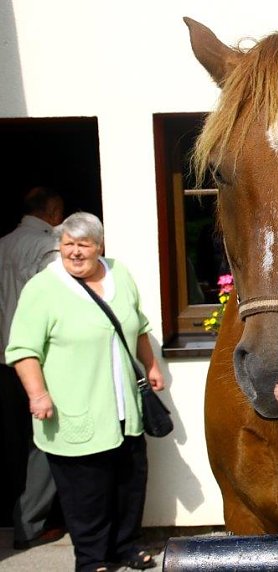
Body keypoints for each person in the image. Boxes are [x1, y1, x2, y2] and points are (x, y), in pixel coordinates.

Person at [5, 212, 166, 572]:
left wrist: (151, 365)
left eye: (83, 245)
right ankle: (92, 560)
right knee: (86, 494)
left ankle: (126, 546)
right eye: (67, 245)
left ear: (100, 247)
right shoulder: (43, 289)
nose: (75, 252)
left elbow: (137, 324)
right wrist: (38, 394)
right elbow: (23, 350)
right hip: (75, 411)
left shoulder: (119, 273)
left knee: (129, 484)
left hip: (126, 411)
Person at [0, 186, 65, 550]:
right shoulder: (47, 246)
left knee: (15, 440)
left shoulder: (3, 243)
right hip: (39, 358)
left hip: (4, 357)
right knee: (46, 440)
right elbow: (60, 299)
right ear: (54, 210)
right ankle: (32, 520)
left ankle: (20, 513)